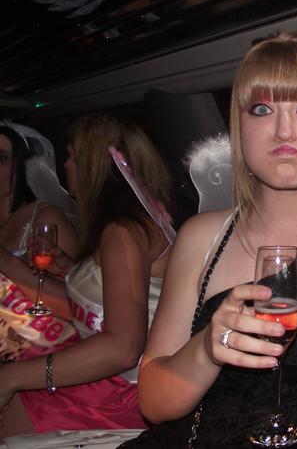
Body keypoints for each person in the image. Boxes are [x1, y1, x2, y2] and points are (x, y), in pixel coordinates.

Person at [122, 30, 297, 448]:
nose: (284, 130)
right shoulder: (202, 237)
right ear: (240, 128)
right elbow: (154, 403)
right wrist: (207, 349)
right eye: (262, 109)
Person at [0, 112, 174, 437]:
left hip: (122, 390)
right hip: (106, 375)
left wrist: (12, 377)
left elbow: (124, 348)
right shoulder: (120, 226)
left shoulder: (123, 232)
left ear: (93, 165)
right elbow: (110, 299)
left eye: (72, 156)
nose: (65, 165)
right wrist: (69, 268)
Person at [0, 122, 79, 362]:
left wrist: (7, 263)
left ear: (21, 166)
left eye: (1, 157)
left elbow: (77, 306)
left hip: (44, 355)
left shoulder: (44, 218)